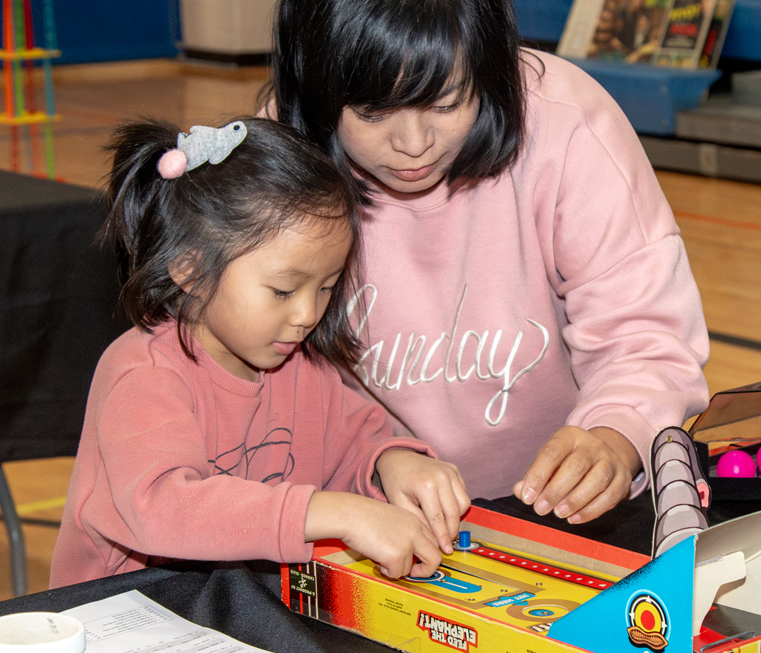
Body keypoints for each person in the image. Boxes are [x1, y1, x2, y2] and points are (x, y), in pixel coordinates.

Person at [266, 0, 711, 540]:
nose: (413, 143)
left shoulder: (566, 125)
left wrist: (617, 433)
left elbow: (646, 333)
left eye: (446, 102)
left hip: (552, 514)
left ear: (489, 66)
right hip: (361, 510)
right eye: (374, 113)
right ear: (316, 93)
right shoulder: (282, 154)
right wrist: (375, 457)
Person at [50, 117, 469, 588]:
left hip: (240, 605)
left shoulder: (301, 365)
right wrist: (332, 512)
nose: (308, 314)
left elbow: (356, 444)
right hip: (126, 615)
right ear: (190, 270)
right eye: (283, 290)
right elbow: (162, 507)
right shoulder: (143, 374)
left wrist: (392, 462)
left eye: (327, 287)